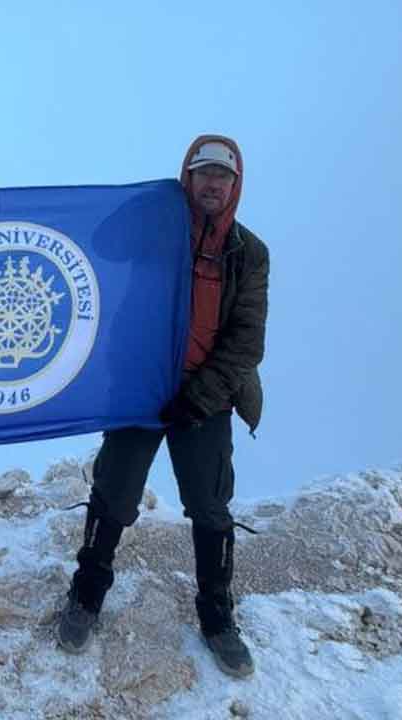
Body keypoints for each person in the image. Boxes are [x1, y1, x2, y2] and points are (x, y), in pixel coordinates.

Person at [55, 135, 270, 679]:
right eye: (203, 174)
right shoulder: (156, 232)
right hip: (140, 386)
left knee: (210, 505)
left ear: (235, 184)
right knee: (115, 491)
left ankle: (217, 617)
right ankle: (87, 593)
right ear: (187, 179)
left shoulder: (249, 254)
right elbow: (103, 239)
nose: (212, 184)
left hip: (207, 395)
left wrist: (198, 400)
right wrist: (152, 203)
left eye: (223, 176)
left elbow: (246, 342)